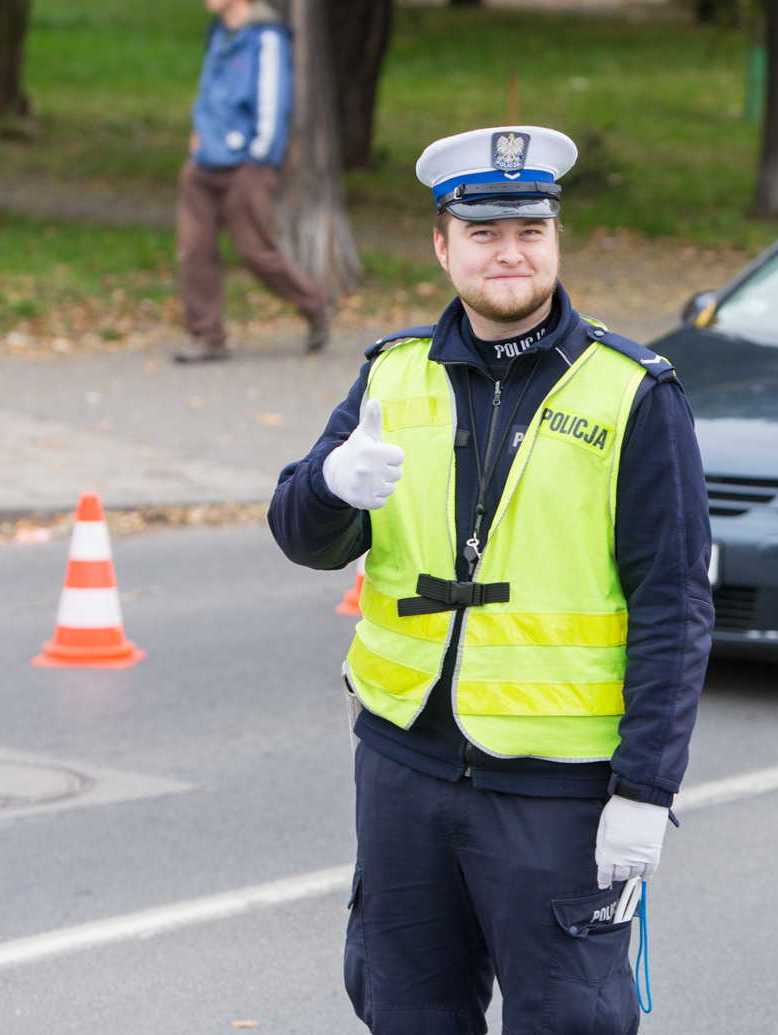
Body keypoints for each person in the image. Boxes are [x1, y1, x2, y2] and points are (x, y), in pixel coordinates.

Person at [268, 125, 713, 1035]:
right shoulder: (392, 374)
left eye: (530, 230)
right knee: (405, 1011)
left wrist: (646, 787)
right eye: (483, 232)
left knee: (568, 1022)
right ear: (442, 245)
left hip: (556, 794)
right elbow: (300, 535)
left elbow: (675, 603)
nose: (509, 251)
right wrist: (326, 487)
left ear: (556, 239)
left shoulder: (631, 393)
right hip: (404, 771)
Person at [173, 0, 334, 364]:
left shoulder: (267, 38)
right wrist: (198, 133)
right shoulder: (219, 32)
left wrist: (257, 154)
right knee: (193, 250)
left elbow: (274, 103)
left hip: (246, 165)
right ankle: (207, 337)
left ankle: (315, 303)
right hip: (204, 163)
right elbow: (209, 89)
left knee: (255, 251)